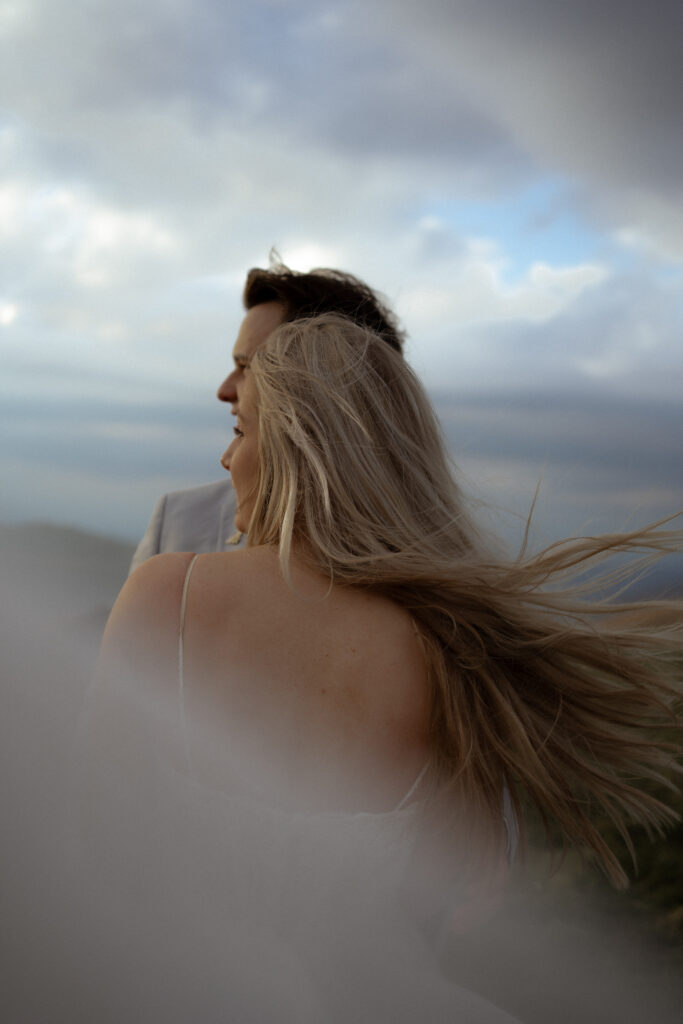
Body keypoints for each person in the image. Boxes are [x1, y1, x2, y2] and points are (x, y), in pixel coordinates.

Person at [86, 315, 682, 1020]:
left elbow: (90, 848)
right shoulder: (448, 648)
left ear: (293, 445)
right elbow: (440, 909)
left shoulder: (169, 593)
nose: (224, 460)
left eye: (240, 431)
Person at [129, 262, 405, 573]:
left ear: (331, 388)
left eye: (251, 367)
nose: (224, 390)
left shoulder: (420, 556)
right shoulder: (179, 522)